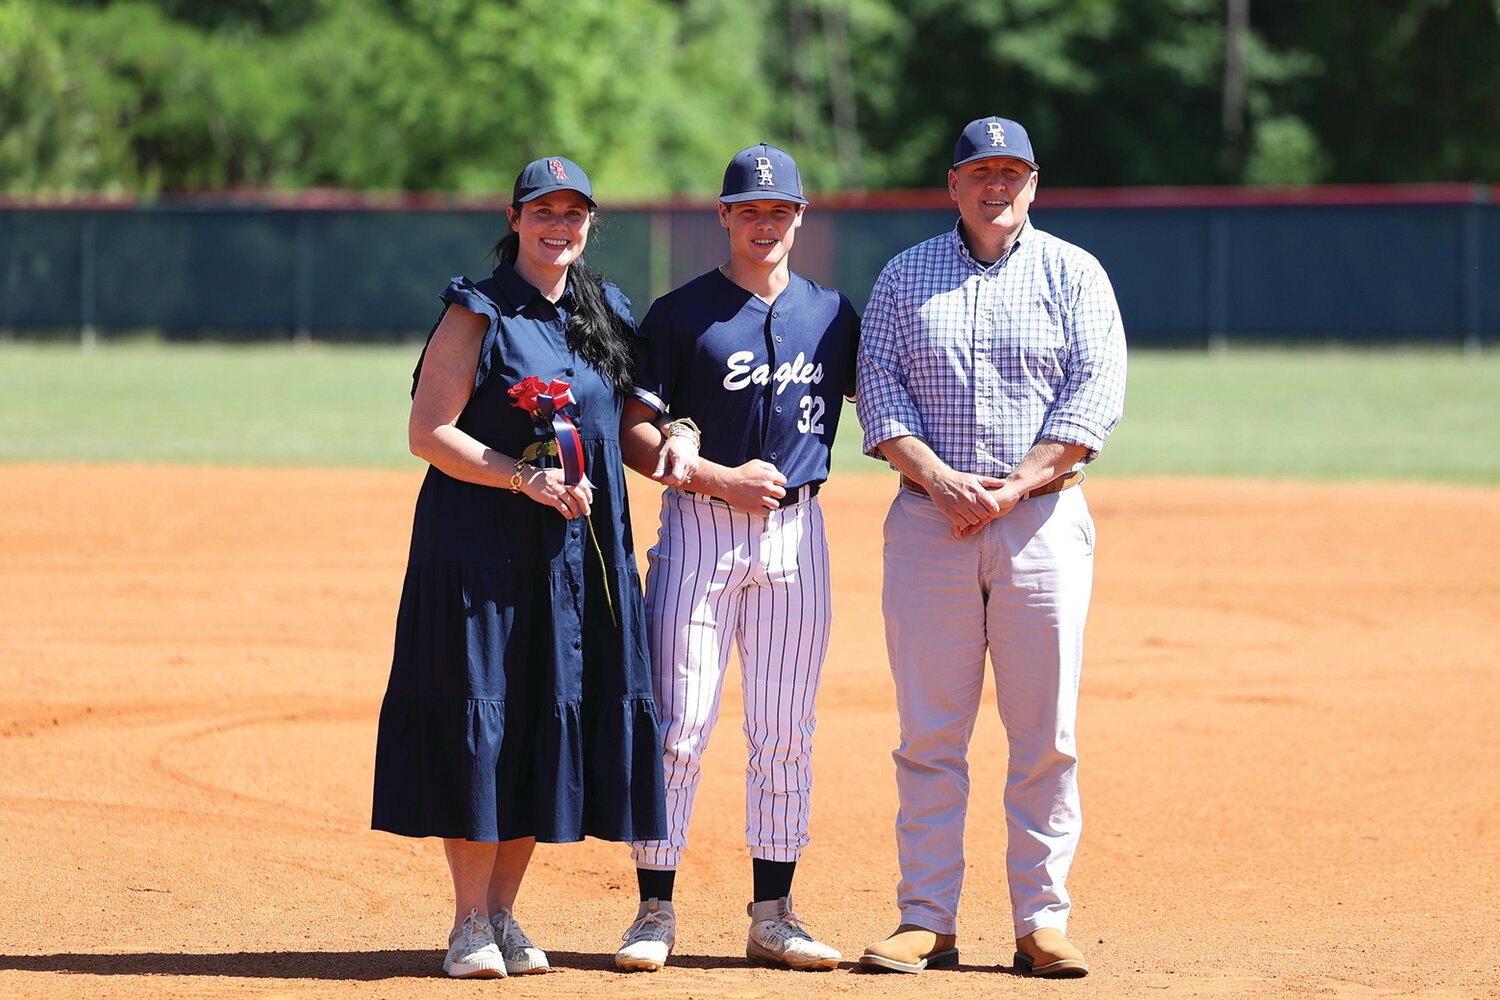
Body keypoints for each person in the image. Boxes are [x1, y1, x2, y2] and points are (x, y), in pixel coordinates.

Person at [370, 156, 666, 979]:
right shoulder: (478, 309)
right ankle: (467, 922)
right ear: (514, 218)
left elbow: (631, 425)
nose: (559, 226)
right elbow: (430, 433)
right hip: (481, 551)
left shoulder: (605, 310)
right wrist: (523, 475)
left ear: (590, 224)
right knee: (487, 716)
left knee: (544, 713)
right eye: (544, 211)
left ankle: (503, 912)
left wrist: (683, 443)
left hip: (576, 557)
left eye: (574, 213)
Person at [854, 116, 1127, 978]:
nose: (996, 187)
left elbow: (1096, 394)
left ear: (1034, 184)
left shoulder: (1074, 273)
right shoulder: (905, 275)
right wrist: (942, 482)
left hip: (1041, 523)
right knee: (929, 736)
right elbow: (879, 391)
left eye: (1012, 173)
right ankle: (926, 918)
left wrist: (1011, 488)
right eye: (982, 173)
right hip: (928, 526)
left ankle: (1041, 921)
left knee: (1044, 736)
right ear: (955, 184)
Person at [612, 142, 859, 972]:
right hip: (699, 528)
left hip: (798, 536)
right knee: (679, 727)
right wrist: (714, 474)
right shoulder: (680, 314)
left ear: (799, 218)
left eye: (778, 211)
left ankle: (774, 913)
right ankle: (653, 912)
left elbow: (889, 396)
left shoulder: (831, 314)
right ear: (723, 217)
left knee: (785, 731)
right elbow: (636, 437)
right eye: (748, 210)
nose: (764, 224)